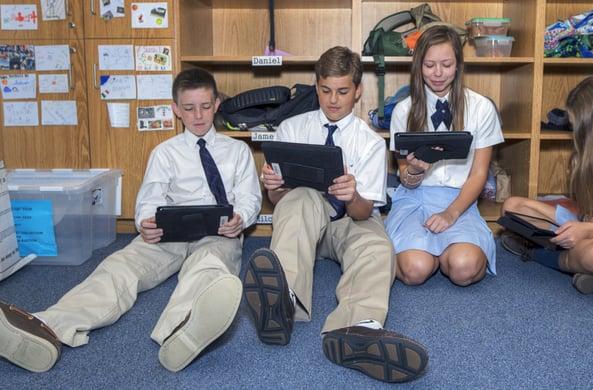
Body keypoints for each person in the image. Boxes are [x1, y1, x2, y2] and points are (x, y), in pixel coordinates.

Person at [0, 68, 262, 373]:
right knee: (119, 267)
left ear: (216, 104)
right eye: (189, 108)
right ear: (176, 109)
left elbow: (249, 196)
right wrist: (146, 222)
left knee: (209, 268)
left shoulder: (238, 151)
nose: (199, 116)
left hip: (218, 232)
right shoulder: (165, 153)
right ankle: (48, 327)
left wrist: (240, 218)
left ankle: (179, 330)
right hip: (170, 233)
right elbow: (149, 198)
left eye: (205, 106)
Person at [242, 46, 428, 383]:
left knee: (378, 247)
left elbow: (363, 210)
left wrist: (353, 194)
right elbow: (278, 200)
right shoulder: (291, 129)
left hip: (349, 219)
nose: (333, 100)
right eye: (325, 90)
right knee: (298, 199)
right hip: (305, 215)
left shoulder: (369, 143)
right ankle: (283, 304)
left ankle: (356, 328)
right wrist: (274, 185)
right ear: (316, 87)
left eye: (342, 91)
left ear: (357, 92)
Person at [386, 25, 504, 287]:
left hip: (461, 199)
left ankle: (444, 251)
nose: (438, 73)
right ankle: (430, 254)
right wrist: (415, 170)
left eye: (446, 64)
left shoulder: (481, 108)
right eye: (429, 65)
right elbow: (406, 178)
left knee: (464, 268)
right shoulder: (402, 111)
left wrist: (451, 214)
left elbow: (478, 173)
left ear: (458, 65)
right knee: (414, 271)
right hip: (415, 198)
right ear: (418, 66)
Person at [501, 76, 593, 294]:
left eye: (576, 128)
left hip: (592, 236)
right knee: (513, 206)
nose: (573, 135)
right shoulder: (582, 160)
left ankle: (545, 257)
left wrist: (589, 230)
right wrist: (582, 228)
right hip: (583, 227)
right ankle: (587, 269)